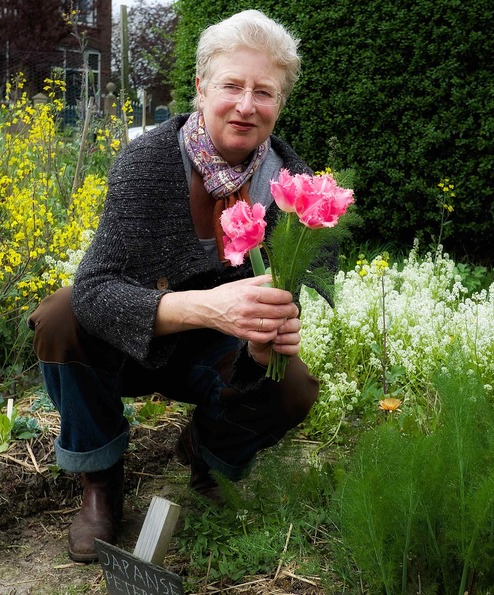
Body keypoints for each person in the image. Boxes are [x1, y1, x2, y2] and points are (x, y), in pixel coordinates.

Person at [28, 9, 323, 563]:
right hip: (132, 346)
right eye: (232, 85)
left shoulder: (292, 187)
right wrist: (206, 307)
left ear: (280, 103)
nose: (245, 104)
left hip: (219, 357)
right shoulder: (150, 160)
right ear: (201, 89)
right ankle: (101, 480)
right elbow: (94, 289)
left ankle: (207, 453)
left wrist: (263, 346)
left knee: (293, 385)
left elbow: (283, 303)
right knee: (62, 316)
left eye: (265, 91)